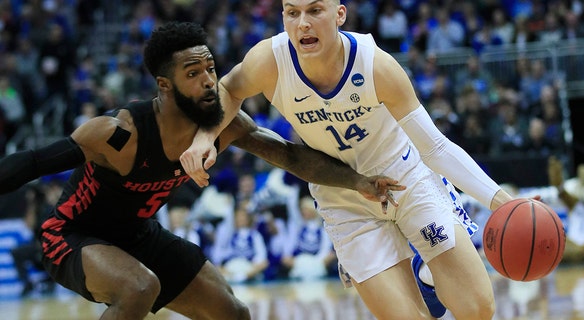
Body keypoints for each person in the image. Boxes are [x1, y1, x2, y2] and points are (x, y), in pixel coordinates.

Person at [0, 21, 403, 320]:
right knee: (139, 287)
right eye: (193, 74)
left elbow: (292, 158)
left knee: (234, 314)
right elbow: (35, 162)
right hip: (71, 235)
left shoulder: (223, 124)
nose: (210, 81)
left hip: (140, 235)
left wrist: (357, 181)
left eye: (210, 68)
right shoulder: (119, 133)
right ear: (165, 85)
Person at [180, 2, 519, 319]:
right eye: (291, 13)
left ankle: (425, 273)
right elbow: (229, 89)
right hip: (343, 194)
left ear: (339, 14)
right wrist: (205, 137)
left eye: (315, 11)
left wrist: (500, 201)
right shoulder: (270, 59)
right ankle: (413, 272)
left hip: (405, 176)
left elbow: (436, 148)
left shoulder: (376, 65)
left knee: (477, 310)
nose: (302, 24)